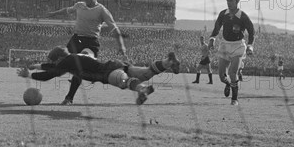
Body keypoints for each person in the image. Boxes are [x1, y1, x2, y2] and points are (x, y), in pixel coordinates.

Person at [46, 0, 127, 105]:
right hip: (76, 40)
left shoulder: (102, 10)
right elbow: (67, 10)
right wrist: (53, 13)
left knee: (80, 69)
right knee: (60, 62)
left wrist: (121, 46)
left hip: (91, 42)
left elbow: (114, 29)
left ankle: (69, 98)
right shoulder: (79, 5)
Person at [17, 47, 180, 105]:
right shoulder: (72, 58)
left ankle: (142, 89)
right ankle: (167, 62)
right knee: (145, 73)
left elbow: (51, 74)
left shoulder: (67, 61)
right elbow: (53, 67)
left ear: (59, 58)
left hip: (107, 72)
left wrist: (29, 75)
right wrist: (36, 66)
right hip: (113, 64)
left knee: (125, 82)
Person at [208, 0, 255, 106]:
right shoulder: (223, 14)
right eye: (227, 0)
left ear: (237, 1)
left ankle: (234, 99)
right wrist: (212, 38)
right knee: (221, 76)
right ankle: (228, 84)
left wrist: (250, 45)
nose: (229, 3)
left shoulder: (242, 16)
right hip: (224, 45)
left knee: (232, 73)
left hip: (238, 46)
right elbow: (216, 28)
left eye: (231, 0)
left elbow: (252, 31)